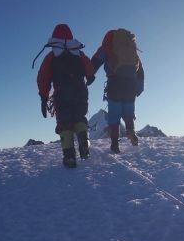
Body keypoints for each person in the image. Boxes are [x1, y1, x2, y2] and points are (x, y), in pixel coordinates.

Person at [36, 24, 95, 168]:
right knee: (79, 118)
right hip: (81, 90)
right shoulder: (78, 53)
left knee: (65, 123)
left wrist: (44, 97)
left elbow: (43, 78)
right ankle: (84, 144)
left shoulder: (51, 56)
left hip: (62, 92)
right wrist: (90, 76)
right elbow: (89, 67)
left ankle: (69, 157)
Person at [91, 28, 144, 153]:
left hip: (114, 85)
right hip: (131, 86)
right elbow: (140, 71)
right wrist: (139, 88)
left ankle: (115, 144)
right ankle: (131, 131)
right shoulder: (131, 50)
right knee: (128, 112)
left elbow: (94, 64)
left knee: (114, 115)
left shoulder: (107, 48)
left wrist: (88, 75)